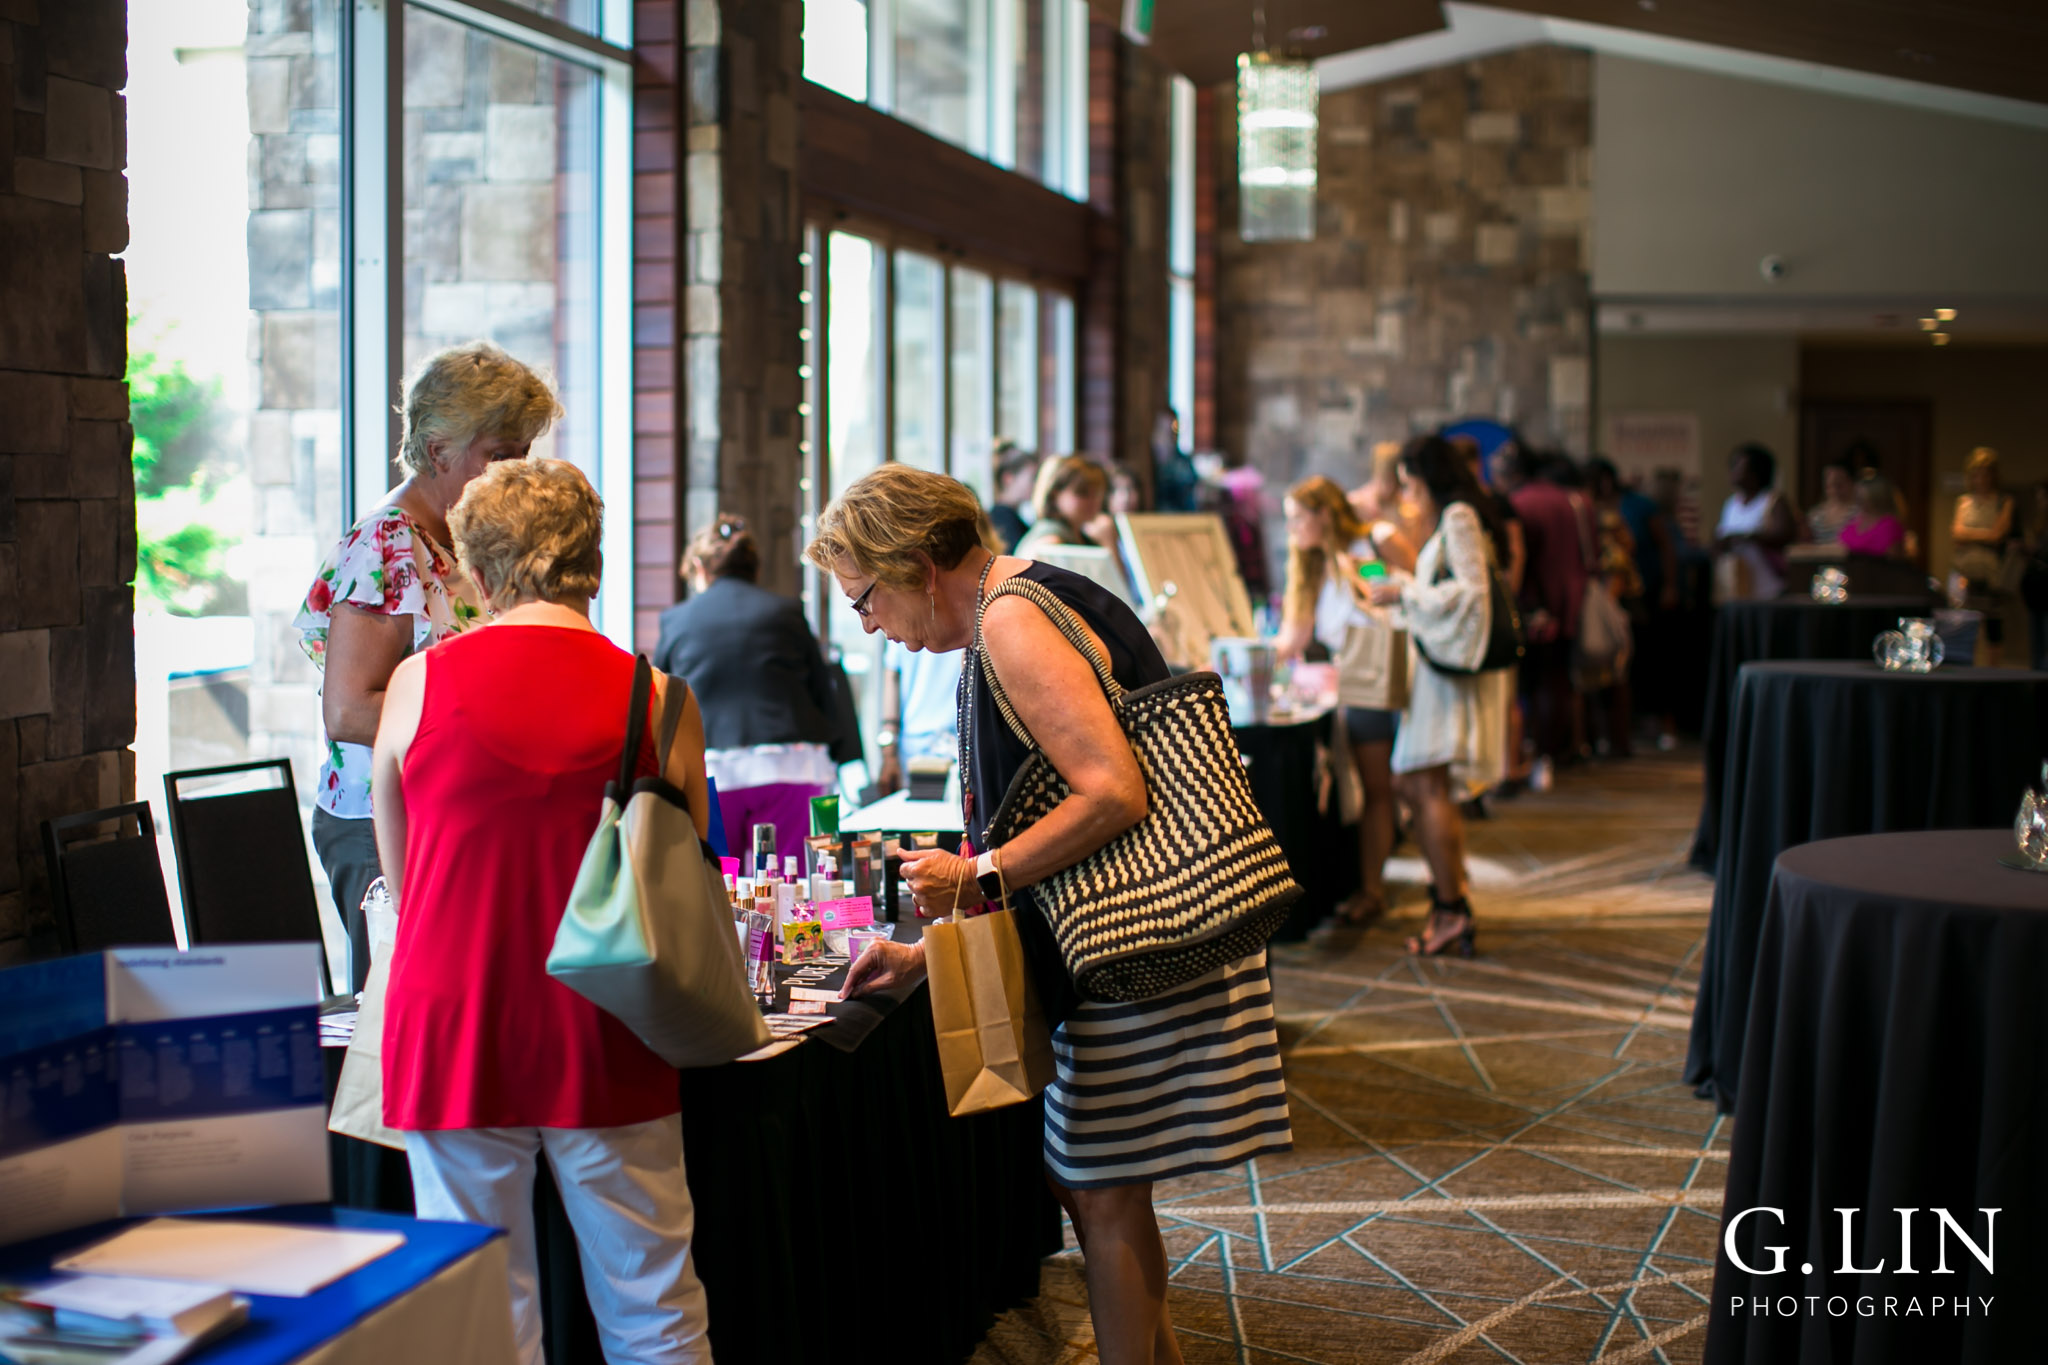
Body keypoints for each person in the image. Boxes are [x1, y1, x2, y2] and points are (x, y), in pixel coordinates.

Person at [814, 464, 1290, 1365]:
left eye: (864, 597)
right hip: (1128, 931)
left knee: (1098, 1189)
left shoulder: (1011, 620)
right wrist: (930, 953)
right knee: (1099, 1186)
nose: (869, 624)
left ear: (918, 562)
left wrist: (976, 874)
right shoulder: (1019, 604)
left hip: (1132, 936)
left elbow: (1112, 793)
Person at [370, 458, 711, 1365]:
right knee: (654, 1303)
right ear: (592, 562)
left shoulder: (416, 685)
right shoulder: (662, 699)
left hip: (453, 1018)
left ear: (477, 573)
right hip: (610, 1022)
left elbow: (405, 880)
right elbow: (686, 878)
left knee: (477, 1320)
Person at [296, 341, 559, 992]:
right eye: (499, 454)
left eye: (523, 455)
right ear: (439, 450)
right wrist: (485, 728)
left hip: (443, 814)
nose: (515, 473)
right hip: (380, 826)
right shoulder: (388, 544)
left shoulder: (461, 537)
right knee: (403, 1013)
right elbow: (352, 708)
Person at [1363, 436, 1513, 956]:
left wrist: (1404, 590)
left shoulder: (1459, 518)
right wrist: (1404, 586)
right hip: (1440, 673)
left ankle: (1451, 907)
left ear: (1426, 478)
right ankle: (1451, 896)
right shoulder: (1457, 517)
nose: (1407, 495)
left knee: (1423, 785)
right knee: (1415, 784)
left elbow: (1471, 593)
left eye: (1409, 484)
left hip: (1450, 678)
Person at [654, 513, 842, 862]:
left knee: (720, 885)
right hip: (791, 765)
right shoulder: (787, 612)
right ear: (754, 567)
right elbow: (823, 689)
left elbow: (664, 697)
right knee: (790, 884)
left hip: (712, 771)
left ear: (698, 566)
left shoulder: (676, 620)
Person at [1277, 476, 1400, 935]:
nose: (1291, 528)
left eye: (1297, 518)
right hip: (1338, 688)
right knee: (1361, 791)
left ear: (1323, 514)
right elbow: (1294, 637)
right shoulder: (1305, 566)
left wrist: (1352, 568)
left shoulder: (1366, 549)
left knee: (1381, 788)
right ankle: (1362, 885)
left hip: (1375, 683)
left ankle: (1375, 888)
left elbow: (1381, 600)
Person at [1497, 446, 1590, 787]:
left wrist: (1528, 603)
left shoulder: (1522, 502)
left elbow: (1523, 557)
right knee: (1559, 681)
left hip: (1537, 605)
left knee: (1532, 686)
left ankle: (1534, 757)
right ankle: (1556, 754)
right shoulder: (1573, 500)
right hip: (1570, 599)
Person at [1952, 447, 2016, 666]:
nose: (1983, 478)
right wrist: (1984, 534)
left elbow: (1998, 535)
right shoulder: (1964, 501)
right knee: (1966, 621)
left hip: (1992, 571)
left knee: (1993, 624)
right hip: (1966, 569)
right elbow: (1957, 533)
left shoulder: (2003, 501)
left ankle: (1993, 669)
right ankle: (1968, 666)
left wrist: (1972, 535)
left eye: (1987, 472)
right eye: (1978, 472)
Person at [1713, 442, 1796, 601]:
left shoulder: (1772, 501)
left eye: (1739, 465)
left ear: (1756, 471)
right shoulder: (1731, 504)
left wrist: (1749, 537)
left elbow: (1785, 534)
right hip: (1737, 586)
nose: (1733, 470)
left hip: (1769, 587)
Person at [1017, 454, 1118, 555]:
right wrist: (1109, 543)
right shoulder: (1051, 541)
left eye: (1097, 494)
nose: (1093, 501)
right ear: (1054, 494)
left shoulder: (1079, 535)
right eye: (1083, 492)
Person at [1348, 441, 1423, 572]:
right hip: (1366, 577)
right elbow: (1353, 565)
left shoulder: (1410, 509)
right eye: (1384, 479)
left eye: (1394, 481)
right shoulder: (1356, 504)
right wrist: (1380, 569)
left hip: (1403, 578)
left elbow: (1414, 564)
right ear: (1375, 472)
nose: (1388, 488)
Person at [1839, 472, 1907, 558]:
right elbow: (1841, 547)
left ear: (1877, 498)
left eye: (1862, 498)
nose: (1858, 501)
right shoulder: (1855, 521)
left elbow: (1893, 560)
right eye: (1857, 496)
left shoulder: (1889, 525)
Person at [988, 443, 1039, 552]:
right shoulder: (1003, 518)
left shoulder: (1010, 517)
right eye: (1032, 478)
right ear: (1008, 478)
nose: (1036, 485)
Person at [2019, 481, 2048, 671]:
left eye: (2042, 497)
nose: (2040, 502)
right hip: (2037, 589)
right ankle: (2037, 680)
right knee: (2037, 640)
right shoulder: (2040, 523)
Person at [1806, 458, 1857, 546]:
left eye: (1839, 484)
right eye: (1829, 484)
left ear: (1851, 483)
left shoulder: (1859, 513)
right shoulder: (1815, 514)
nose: (1834, 489)